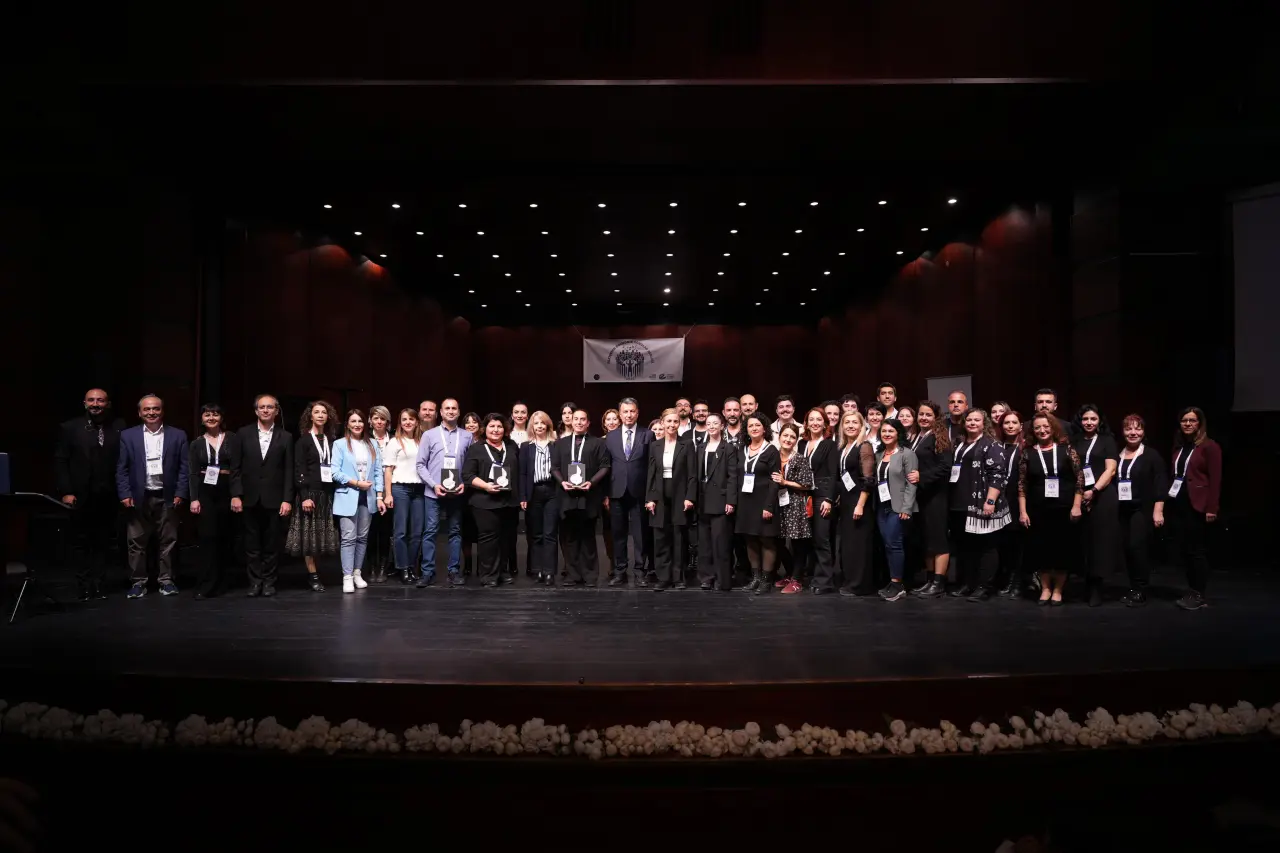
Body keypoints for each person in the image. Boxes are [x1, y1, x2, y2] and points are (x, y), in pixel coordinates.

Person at [54, 387, 125, 600]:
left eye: (100, 400)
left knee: (103, 541)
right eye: (91, 400)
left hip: (109, 494)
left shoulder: (120, 427)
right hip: (80, 494)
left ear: (108, 404)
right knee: (81, 542)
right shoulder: (70, 427)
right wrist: (66, 491)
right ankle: (83, 584)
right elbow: (61, 461)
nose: (96, 404)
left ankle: (99, 583)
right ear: (84, 403)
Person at [116, 395, 188, 599]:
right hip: (138, 497)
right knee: (136, 542)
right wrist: (125, 493)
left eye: (156, 409)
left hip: (167, 496)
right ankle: (138, 582)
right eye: (147, 409)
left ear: (162, 411)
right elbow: (122, 468)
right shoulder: (128, 436)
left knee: (169, 541)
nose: (151, 413)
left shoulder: (178, 435)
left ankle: (166, 581)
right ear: (139, 413)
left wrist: (181, 492)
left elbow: (184, 468)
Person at [1018, 413, 1084, 606]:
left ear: (1053, 427)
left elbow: (1080, 479)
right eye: (1037, 427)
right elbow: (1022, 484)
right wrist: (1023, 511)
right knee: (1042, 551)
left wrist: (1077, 505)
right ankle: (1046, 588)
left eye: (1046, 426)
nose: (1042, 430)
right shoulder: (1028, 453)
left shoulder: (1066, 450)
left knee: (1062, 551)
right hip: (1038, 510)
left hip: (1064, 509)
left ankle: (1058, 590)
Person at [947, 409, 1011, 601]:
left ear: (984, 424)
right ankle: (968, 583)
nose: (972, 423)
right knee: (965, 547)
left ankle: (984, 586)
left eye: (977, 420)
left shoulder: (992, 444)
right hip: (959, 503)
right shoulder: (959, 443)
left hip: (981, 502)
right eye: (969, 419)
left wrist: (990, 501)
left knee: (986, 547)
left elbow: (997, 475)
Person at [235, 395, 293, 597]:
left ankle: (269, 582)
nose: (266, 410)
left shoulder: (286, 436)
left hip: (275, 499)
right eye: (262, 407)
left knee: (272, 544)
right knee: (251, 544)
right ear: (256, 411)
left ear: (276, 411)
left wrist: (287, 499)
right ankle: (254, 582)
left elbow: (289, 471)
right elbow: (235, 467)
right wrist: (236, 494)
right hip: (249, 497)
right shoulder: (243, 434)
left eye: (270, 407)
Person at [1167, 406, 1222, 611]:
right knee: (1186, 550)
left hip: (1198, 505)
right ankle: (1191, 590)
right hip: (1180, 503)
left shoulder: (1210, 447)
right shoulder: (1180, 447)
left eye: (1192, 420)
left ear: (1200, 423)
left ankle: (1199, 593)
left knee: (1197, 551)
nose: (1188, 424)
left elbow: (1215, 480)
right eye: (1184, 420)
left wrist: (1212, 508)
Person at [188, 404, 241, 600]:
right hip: (205, 490)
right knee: (207, 537)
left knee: (225, 537)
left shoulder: (232, 439)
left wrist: (236, 494)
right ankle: (206, 583)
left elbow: (236, 469)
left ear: (222, 418)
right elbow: (193, 473)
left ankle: (221, 582)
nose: (211, 417)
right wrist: (194, 498)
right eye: (207, 414)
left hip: (226, 489)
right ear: (202, 419)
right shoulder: (196, 443)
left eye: (215, 414)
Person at [417, 398, 472, 588]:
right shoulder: (429, 435)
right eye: (447, 408)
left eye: (454, 408)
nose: (450, 411)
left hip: (457, 493)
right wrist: (433, 485)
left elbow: (470, 466)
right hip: (434, 492)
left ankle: (453, 571)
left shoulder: (467, 436)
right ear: (440, 412)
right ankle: (427, 572)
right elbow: (420, 464)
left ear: (458, 411)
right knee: (430, 532)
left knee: (455, 532)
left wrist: (464, 483)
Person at [552, 409, 611, 587]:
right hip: (567, 496)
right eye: (575, 419)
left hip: (589, 496)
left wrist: (591, 482)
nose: (578, 422)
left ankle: (590, 575)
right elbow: (554, 467)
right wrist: (562, 482)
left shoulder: (598, 443)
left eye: (582, 419)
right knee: (569, 537)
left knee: (588, 536)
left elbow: (605, 466)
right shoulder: (560, 443)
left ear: (588, 423)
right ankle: (572, 575)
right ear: (571, 421)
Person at [1115, 414, 1168, 608]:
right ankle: (1133, 587)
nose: (1133, 433)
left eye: (1137, 429)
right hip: (1122, 509)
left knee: (1138, 548)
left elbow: (1160, 483)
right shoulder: (1118, 454)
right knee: (1127, 549)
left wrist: (1158, 510)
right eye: (1128, 429)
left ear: (1143, 432)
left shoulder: (1151, 455)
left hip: (1142, 509)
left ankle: (1141, 589)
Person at [331, 409, 387, 594]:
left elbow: (378, 472)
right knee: (348, 538)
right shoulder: (339, 444)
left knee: (362, 538)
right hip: (348, 494)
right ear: (347, 424)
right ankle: (347, 576)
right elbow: (335, 472)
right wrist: (356, 483)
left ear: (366, 423)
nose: (357, 424)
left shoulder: (372, 444)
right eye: (353, 421)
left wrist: (379, 497)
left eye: (360, 421)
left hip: (368, 496)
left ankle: (357, 573)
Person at [462, 413, 520, 588]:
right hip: (484, 502)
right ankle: (488, 575)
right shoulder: (476, 448)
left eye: (499, 426)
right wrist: (486, 486)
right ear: (484, 429)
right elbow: (467, 475)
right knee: (488, 539)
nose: (496, 430)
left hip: (509, 501)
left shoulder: (511, 446)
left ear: (505, 429)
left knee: (505, 538)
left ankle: (502, 571)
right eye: (492, 426)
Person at [1071, 404, 1120, 606]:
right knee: (1083, 540)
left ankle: (1097, 587)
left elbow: (1111, 470)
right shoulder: (1074, 440)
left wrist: (1094, 490)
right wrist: (1081, 493)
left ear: (1099, 421)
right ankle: (1085, 582)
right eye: (1085, 419)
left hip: (1102, 495)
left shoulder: (1107, 440)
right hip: (1078, 495)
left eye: (1093, 419)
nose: (1089, 422)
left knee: (1100, 541)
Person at [288, 400, 339, 592]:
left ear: (328, 416)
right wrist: (304, 496)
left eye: (324, 412)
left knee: (320, 537)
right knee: (308, 538)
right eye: (316, 412)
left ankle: (318, 571)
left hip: (327, 494)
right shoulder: (303, 441)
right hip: (309, 494)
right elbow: (299, 469)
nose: (320, 415)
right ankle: (313, 576)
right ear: (310, 416)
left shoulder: (332, 441)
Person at [645, 409, 695, 590]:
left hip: (680, 495)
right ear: (662, 423)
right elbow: (651, 473)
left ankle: (678, 577)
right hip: (659, 495)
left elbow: (692, 474)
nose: (672, 425)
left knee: (678, 538)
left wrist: (690, 497)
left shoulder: (686, 444)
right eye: (669, 421)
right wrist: (650, 498)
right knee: (661, 538)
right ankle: (663, 577)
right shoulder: (655, 446)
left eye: (675, 421)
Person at [909, 402, 954, 597]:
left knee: (938, 539)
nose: (924, 418)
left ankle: (939, 583)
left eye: (928, 415)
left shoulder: (939, 437)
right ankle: (929, 580)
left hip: (936, 496)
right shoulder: (916, 437)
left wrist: (922, 476)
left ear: (936, 418)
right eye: (921, 414)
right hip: (921, 496)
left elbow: (945, 467)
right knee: (926, 538)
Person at [605, 397, 651, 587]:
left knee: (640, 535)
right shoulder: (611, 436)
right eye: (625, 411)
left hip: (639, 492)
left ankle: (640, 571)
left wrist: (650, 495)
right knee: (618, 534)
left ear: (637, 413)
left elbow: (651, 466)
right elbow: (607, 466)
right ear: (620, 414)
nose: (629, 415)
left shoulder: (647, 434)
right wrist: (606, 494)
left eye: (632, 411)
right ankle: (620, 571)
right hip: (616, 491)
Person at [735, 414, 781, 594]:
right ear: (746, 430)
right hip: (746, 502)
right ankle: (755, 578)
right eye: (750, 426)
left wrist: (769, 506)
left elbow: (775, 481)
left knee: (767, 540)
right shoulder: (742, 450)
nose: (754, 428)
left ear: (764, 429)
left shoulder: (771, 451)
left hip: (764, 502)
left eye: (757, 425)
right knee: (750, 539)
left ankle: (766, 581)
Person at [874, 418, 917, 601]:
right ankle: (892, 582)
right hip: (881, 506)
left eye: (891, 431)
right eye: (884, 431)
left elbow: (912, 483)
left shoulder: (907, 454)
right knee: (887, 545)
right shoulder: (879, 454)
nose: (887, 434)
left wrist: (907, 508)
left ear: (898, 433)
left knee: (895, 544)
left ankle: (898, 585)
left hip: (898, 507)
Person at [833, 411, 876, 596]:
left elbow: (868, 479)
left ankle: (859, 585)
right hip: (846, 501)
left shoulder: (864, 446)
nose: (850, 426)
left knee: (859, 545)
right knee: (849, 544)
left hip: (859, 501)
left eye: (854, 422)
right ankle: (850, 581)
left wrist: (860, 504)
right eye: (847, 422)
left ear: (861, 426)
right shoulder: (843, 447)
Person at [695, 413, 739, 591]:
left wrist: (731, 500)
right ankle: (706, 577)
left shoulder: (728, 448)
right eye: (708, 423)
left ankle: (723, 579)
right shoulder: (700, 447)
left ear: (722, 426)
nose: (711, 426)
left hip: (720, 501)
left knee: (720, 543)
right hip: (703, 500)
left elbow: (733, 477)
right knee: (704, 543)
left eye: (715, 423)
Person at [772, 422, 815, 595]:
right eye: (785, 435)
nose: (788, 439)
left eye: (792, 437)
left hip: (795, 503)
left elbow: (807, 484)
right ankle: (790, 573)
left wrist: (785, 482)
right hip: (777, 503)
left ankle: (797, 579)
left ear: (796, 440)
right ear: (779, 437)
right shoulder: (773, 456)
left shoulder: (799, 458)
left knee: (798, 543)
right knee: (777, 541)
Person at [383, 409, 424, 586]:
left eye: (411, 419)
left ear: (417, 422)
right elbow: (388, 470)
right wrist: (388, 494)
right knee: (400, 531)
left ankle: (412, 566)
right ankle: (402, 568)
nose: (408, 422)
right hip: (400, 488)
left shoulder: (422, 441)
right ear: (400, 422)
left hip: (419, 489)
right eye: (404, 419)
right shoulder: (394, 442)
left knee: (417, 532)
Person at [519, 411, 559, 585]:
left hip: (552, 492)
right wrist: (523, 496)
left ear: (548, 425)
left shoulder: (555, 445)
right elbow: (522, 473)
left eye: (543, 423)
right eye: (536, 423)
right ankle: (537, 570)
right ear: (532, 426)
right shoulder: (526, 447)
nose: (540, 426)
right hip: (533, 492)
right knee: (536, 534)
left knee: (550, 533)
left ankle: (549, 572)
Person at [799, 407, 836, 594]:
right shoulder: (802, 444)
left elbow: (834, 474)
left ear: (825, 424)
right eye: (811, 420)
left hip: (822, 495)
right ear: (806, 424)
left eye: (818, 420)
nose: (815, 423)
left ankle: (825, 581)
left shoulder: (829, 445)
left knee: (822, 538)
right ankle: (813, 576)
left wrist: (829, 499)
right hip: (804, 495)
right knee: (809, 539)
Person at [995, 410, 1026, 598]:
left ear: (1021, 426)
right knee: (1003, 543)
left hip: (1018, 500)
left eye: (1014, 422)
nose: (1010, 426)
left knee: (1018, 543)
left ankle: (1018, 582)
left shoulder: (1026, 447)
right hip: (1000, 500)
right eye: (1006, 423)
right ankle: (1005, 579)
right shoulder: (996, 447)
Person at [367, 406, 395, 583]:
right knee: (370, 530)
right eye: (376, 418)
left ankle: (384, 567)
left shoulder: (394, 439)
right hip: (369, 489)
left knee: (385, 530)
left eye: (382, 419)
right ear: (370, 421)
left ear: (387, 422)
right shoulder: (364, 439)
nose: (379, 422)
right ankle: (371, 567)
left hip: (389, 490)